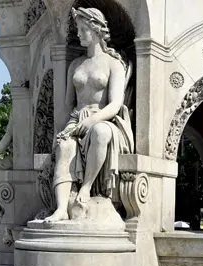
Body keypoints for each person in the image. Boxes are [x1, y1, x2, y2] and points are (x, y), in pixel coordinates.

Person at [43, 7, 135, 223]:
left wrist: (94, 119)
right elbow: (68, 104)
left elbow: (115, 104)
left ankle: (86, 188)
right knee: (65, 146)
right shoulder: (75, 65)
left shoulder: (114, 64)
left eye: (83, 29)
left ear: (96, 30)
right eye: (78, 29)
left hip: (105, 119)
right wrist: (63, 131)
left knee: (100, 132)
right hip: (76, 119)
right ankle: (61, 209)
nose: (78, 34)